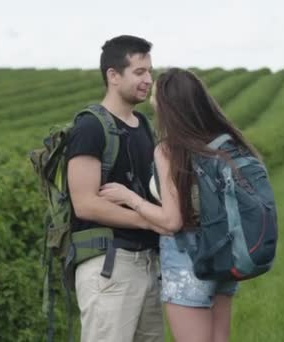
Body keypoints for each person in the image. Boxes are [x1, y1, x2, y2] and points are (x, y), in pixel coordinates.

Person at [99, 68, 261, 342]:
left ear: (167, 104)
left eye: (155, 94)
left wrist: (130, 199)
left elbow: (172, 220)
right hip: (225, 253)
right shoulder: (223, 141)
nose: (151, 97)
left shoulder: (169, 149)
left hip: (188, 258)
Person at [66, 35, 168, 342]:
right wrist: (150, 219)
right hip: (109, 267)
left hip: (147, 265)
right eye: (139, 72)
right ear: (113, 75)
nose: (148, 80)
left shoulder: (144, 126)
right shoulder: (90, 127)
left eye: (150, 71)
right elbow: (85, 204)